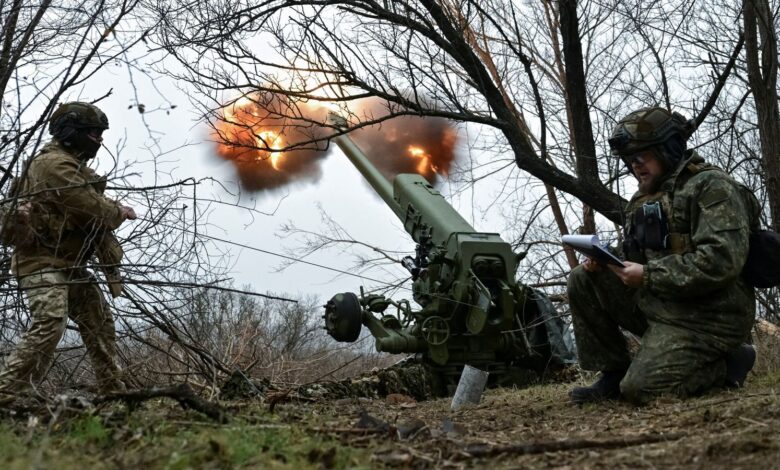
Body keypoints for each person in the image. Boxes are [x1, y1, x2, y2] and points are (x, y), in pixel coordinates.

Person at [568, 107, 759, 405]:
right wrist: (607, 261)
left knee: (642, 389)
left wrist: (649, 275)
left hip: (711, 316)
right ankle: (614, 371)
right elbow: (638, 254)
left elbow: (721, 261)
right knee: (583, 278)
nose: (635, 165)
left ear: (666, 149)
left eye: (641, 157)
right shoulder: (644, 197)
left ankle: (730, 362)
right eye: (630, 160)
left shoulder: (712, 187)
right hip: (662, 303)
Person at [0, 101, 136, 404]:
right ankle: (6, 394)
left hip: (68, 264)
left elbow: (85, 200)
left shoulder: (72, 165)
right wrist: (118, 211)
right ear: (71, 131)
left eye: (100, 134)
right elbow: (85, 204)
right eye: (92, 133)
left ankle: (114, 393)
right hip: (41, 262)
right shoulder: (53, 164)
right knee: (50, 321)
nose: (98, 140)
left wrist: (110, 210)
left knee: (99, 321)